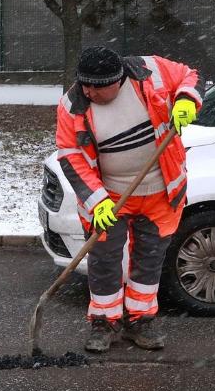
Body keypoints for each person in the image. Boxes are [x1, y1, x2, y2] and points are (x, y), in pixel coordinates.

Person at [55, 46, 204, 353]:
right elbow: (71, 156)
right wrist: (98, 201)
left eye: (96, 88)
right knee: (104, 260)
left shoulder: (150, 72)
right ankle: (104, 322)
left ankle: (140, 321)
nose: (88, 92)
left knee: (149, 260)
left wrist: (186, 100)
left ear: (117, 80)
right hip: (110, 196)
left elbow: (188, 76)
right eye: (84, 85)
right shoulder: (73, 104)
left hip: (160, 191)